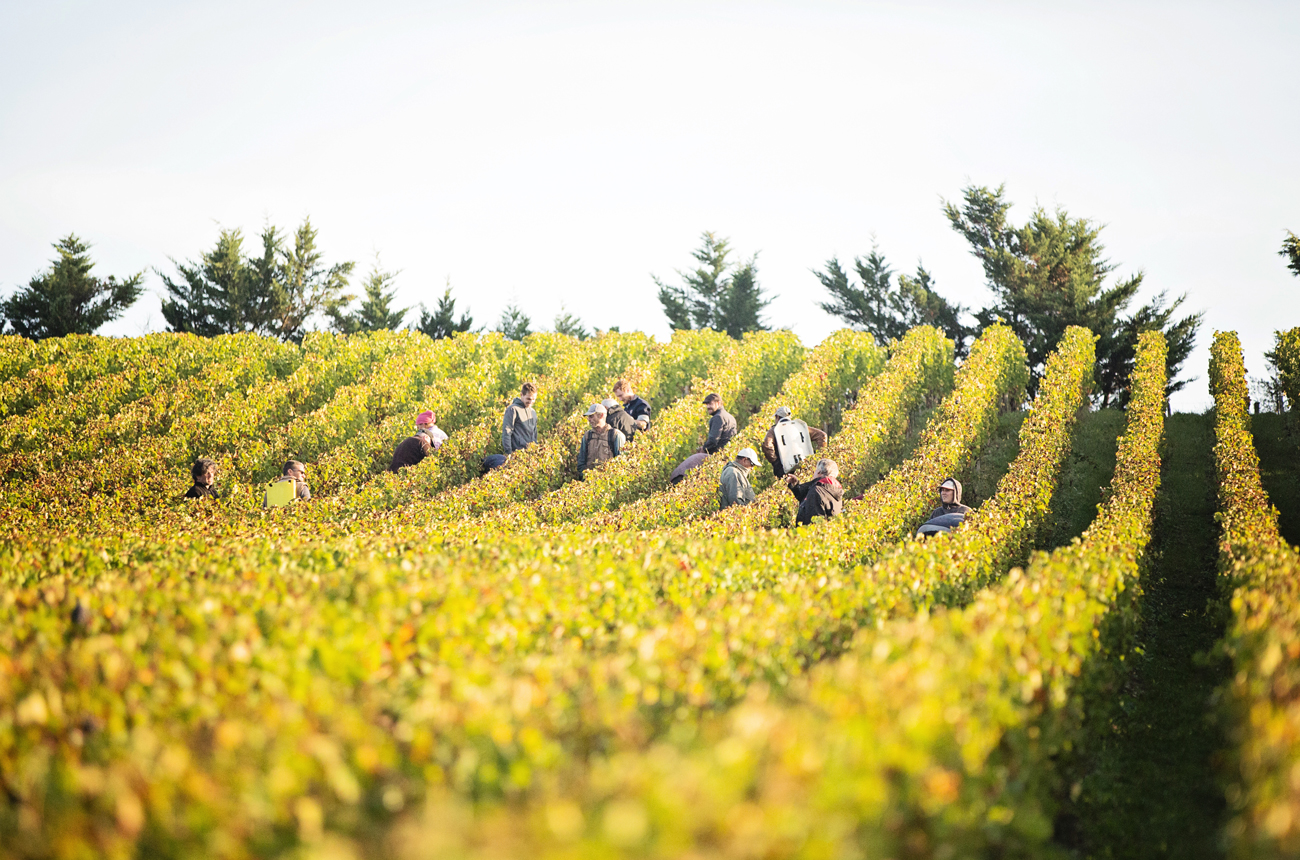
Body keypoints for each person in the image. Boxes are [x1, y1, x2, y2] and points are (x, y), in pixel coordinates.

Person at [761, 406, 828, 478]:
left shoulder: (775, 429)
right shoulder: (799, 427)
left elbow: (767, 445)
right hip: (805, 465)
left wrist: (775, 461)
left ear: (777, 417)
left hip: (784, 469)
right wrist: (817, 456)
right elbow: (822, 436)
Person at [783, 458, 844, 526]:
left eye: (816, 470)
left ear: (819, 472)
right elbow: (806, 496)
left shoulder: (816, 491)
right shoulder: (834, 490)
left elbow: (811, 521)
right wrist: (796, 485)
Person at [576, 402, 626, 478]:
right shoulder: (587, 436)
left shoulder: (615, 435)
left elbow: (621, 462)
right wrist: (585, 477)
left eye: (591, 416)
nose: (589, 419)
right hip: (589, 482)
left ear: (601, 415)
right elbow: (581, 461)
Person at [502, 382, 538, 455]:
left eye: (533, 399)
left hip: (530, 455)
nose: (531, 402)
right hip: (517, 455)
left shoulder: (533, 412)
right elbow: (507, 432)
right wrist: (509, 453)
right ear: (521, 395)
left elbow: (535, 435)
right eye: (529, 399)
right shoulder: (512, 410)